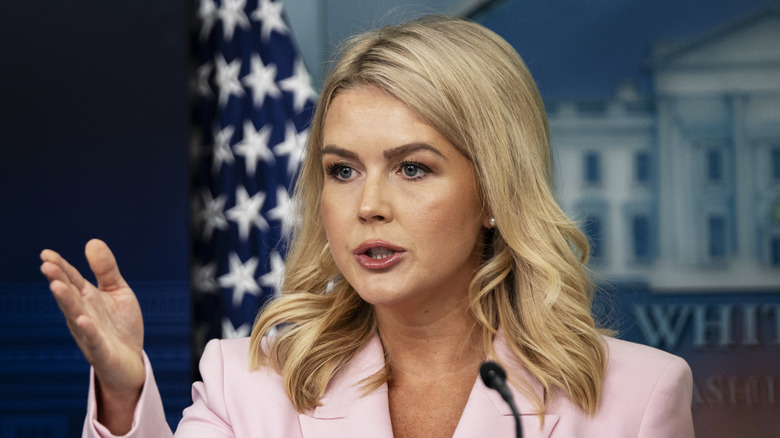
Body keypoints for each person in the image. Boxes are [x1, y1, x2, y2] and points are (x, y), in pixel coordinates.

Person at [40, 15, 694, 438]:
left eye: (412, 169)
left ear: (495, 191)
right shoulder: (248, 384)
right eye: (342, 170)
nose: (367, 205)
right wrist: (124, 400)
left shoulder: (637, 397)